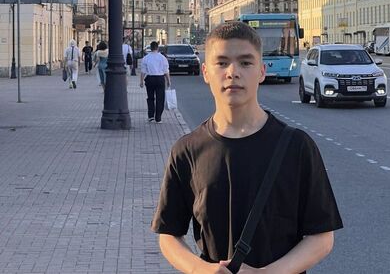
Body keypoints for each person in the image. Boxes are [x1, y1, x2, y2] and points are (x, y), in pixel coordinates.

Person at [152, 22, 343, 273]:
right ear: (205, 72)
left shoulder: (297, 146)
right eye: (222, 63)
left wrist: (268, 273)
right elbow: (168, 235)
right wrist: (201, 269)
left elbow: (321, 237)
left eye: (245, 63)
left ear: (262, 71)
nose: (233, 72)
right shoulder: (187, 150)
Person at [140, 41, 171, 123]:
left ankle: (151, 116)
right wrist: (168, 81)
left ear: (150, 48)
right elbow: (166, 71)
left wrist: (141, 81)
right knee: (160, 98)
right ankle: (158, 118)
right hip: (160, 79)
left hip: (150, 79)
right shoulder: (162, 58)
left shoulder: (146, 58)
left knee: (150, 98)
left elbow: (143, 71)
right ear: (157, 48)